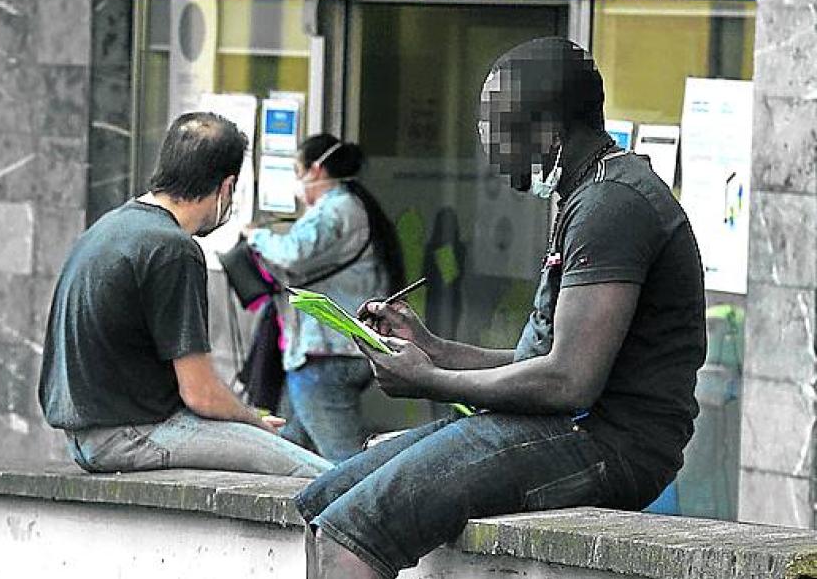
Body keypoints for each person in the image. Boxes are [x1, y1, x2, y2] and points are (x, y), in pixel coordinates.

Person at [299, 37, 706, 578]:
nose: (492, 154)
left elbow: (568, 382)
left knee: (354, 532)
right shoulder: (590, 196)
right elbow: (539, 362)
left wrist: (431, 381)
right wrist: (434, 350)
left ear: (547, 129)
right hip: (564, 425)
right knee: (322, 504)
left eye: (498, 132)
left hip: (606, 442)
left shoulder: (613, 205)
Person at [39, 112, 332, 477]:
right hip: (133, 433)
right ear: (227, 188)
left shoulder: (112, 225)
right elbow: (201, 393)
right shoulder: (173, 249)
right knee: (318, 476)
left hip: (87, 435)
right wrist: (252, 419)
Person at [243, 135, 403, 462]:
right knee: (291, 450)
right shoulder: (356, 206)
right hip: (336, 353)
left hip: (325, 355)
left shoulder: (337, 207)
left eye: (297, 171)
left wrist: (256, 236)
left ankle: (366, 509)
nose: (297, 183)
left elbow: (293, 253)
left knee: (343, 462)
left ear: (315, 171)